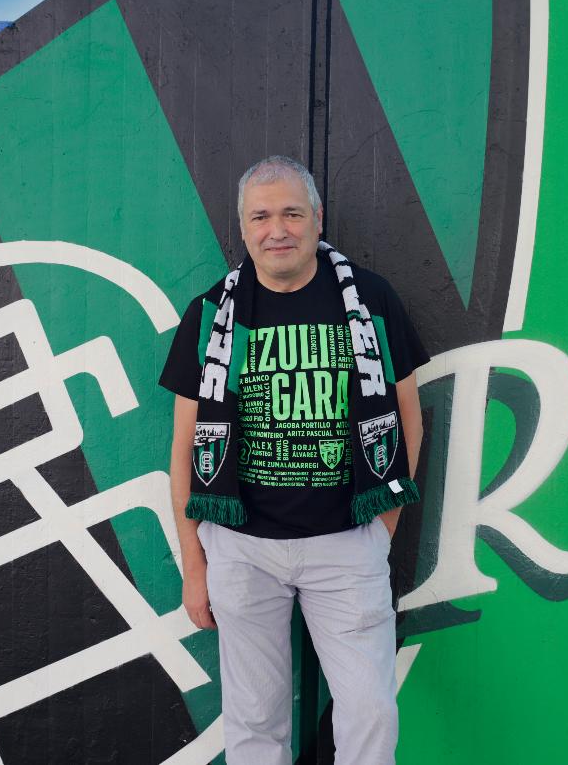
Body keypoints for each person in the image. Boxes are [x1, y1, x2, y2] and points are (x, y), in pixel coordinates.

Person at [159, 155, 428, 765]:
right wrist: (195, 564)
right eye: (261, 216)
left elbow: (409, 415)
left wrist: (381, 529)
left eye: (291, 213)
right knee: (255, 720)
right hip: (242, 548)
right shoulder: (210, 314)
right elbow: (184, 448)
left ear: (317, 219)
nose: (276, 229)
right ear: (243, 226)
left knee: (371, 712)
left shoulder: (371, 300)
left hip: (346, 542)